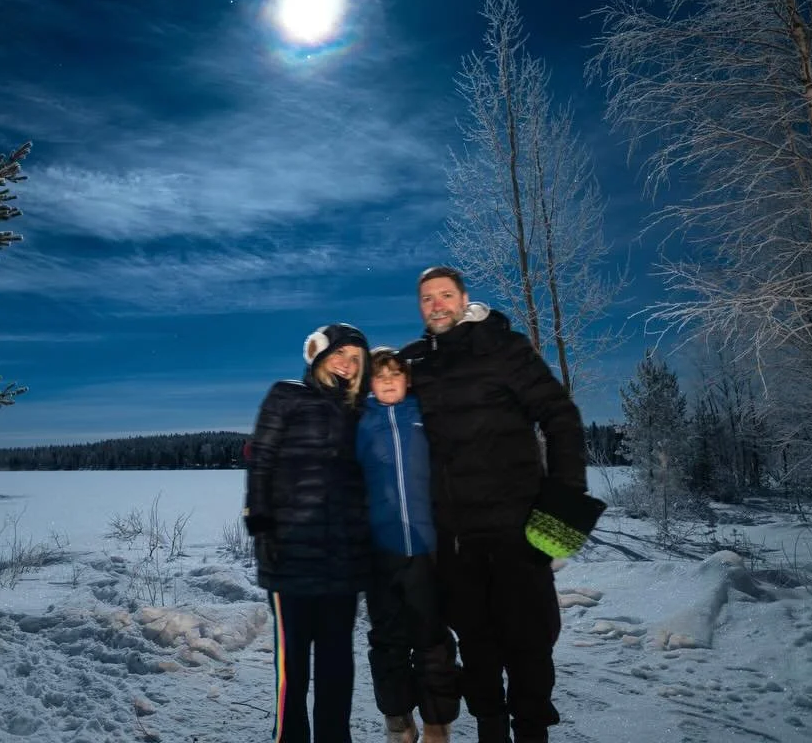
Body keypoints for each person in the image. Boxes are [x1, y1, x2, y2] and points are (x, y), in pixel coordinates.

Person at [400, 266, 588, 743]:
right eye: (427, 298)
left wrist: (561, 518)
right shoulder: (417, 363)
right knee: (476, 646)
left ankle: (531, 732)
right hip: (455, 538)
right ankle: (490, 731)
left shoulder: (505, 348)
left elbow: (561, 418)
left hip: (517, 530)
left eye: (446, 295)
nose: (437, 304)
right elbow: (374, 405)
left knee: (529, 644)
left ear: (464, 299)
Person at [243, 323, 373, 743]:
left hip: (343, 561)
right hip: (291, 555)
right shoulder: (287, 395)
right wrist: (262, 528)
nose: (347, 364)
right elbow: (261, 462)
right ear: (319, 356)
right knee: (293, 665)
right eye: (339, 354)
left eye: (356, 358)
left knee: (337, 664)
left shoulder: (360, 410)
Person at [356, 347, 460, 743]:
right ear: (369, 383)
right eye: (379, 375)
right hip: (379, 551)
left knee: (432, 637)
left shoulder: (425, 414)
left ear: (408, 378)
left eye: (395, 373)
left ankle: (437, 721)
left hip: (426, 547)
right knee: (387, 640)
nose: (387, 381)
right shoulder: (360, 421)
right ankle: (398, 717)